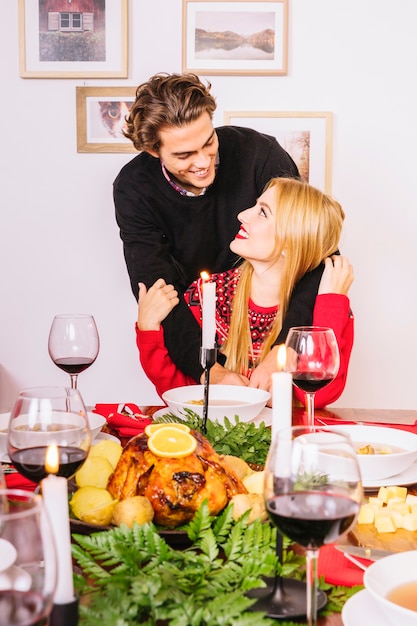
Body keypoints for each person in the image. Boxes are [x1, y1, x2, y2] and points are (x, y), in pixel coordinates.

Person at [114, 72, 324, 391]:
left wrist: (285, 348)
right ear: (153, 150)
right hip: (193, 330)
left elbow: (311, 251)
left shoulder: (259, 153)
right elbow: (159, 289)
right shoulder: (134, 188)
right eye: (184, 155)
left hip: (273, 319)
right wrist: (209, 369)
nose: (203, 162)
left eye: (208, 142)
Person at [136, 177, 354, 409]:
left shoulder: (323, 308)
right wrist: (148, 331)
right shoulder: (209, 294)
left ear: (291, 242)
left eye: (263, 212)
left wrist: (333, 303)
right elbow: (182, 392)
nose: (242, 215)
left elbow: (317, 397)